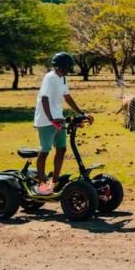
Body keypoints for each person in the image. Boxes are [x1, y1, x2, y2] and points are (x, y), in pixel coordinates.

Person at [33, 52, 91, 195]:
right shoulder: (50, 77)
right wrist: (51, 119)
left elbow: (67, 97)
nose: (70, 69)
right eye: (69, 66)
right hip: (46, 120)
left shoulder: (63, 78)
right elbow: (44, 99)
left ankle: (54, 181)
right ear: (63, 66)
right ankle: (41, 183)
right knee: (44, 151)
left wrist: (82, 113)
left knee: (62, 149)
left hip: (59, 118)